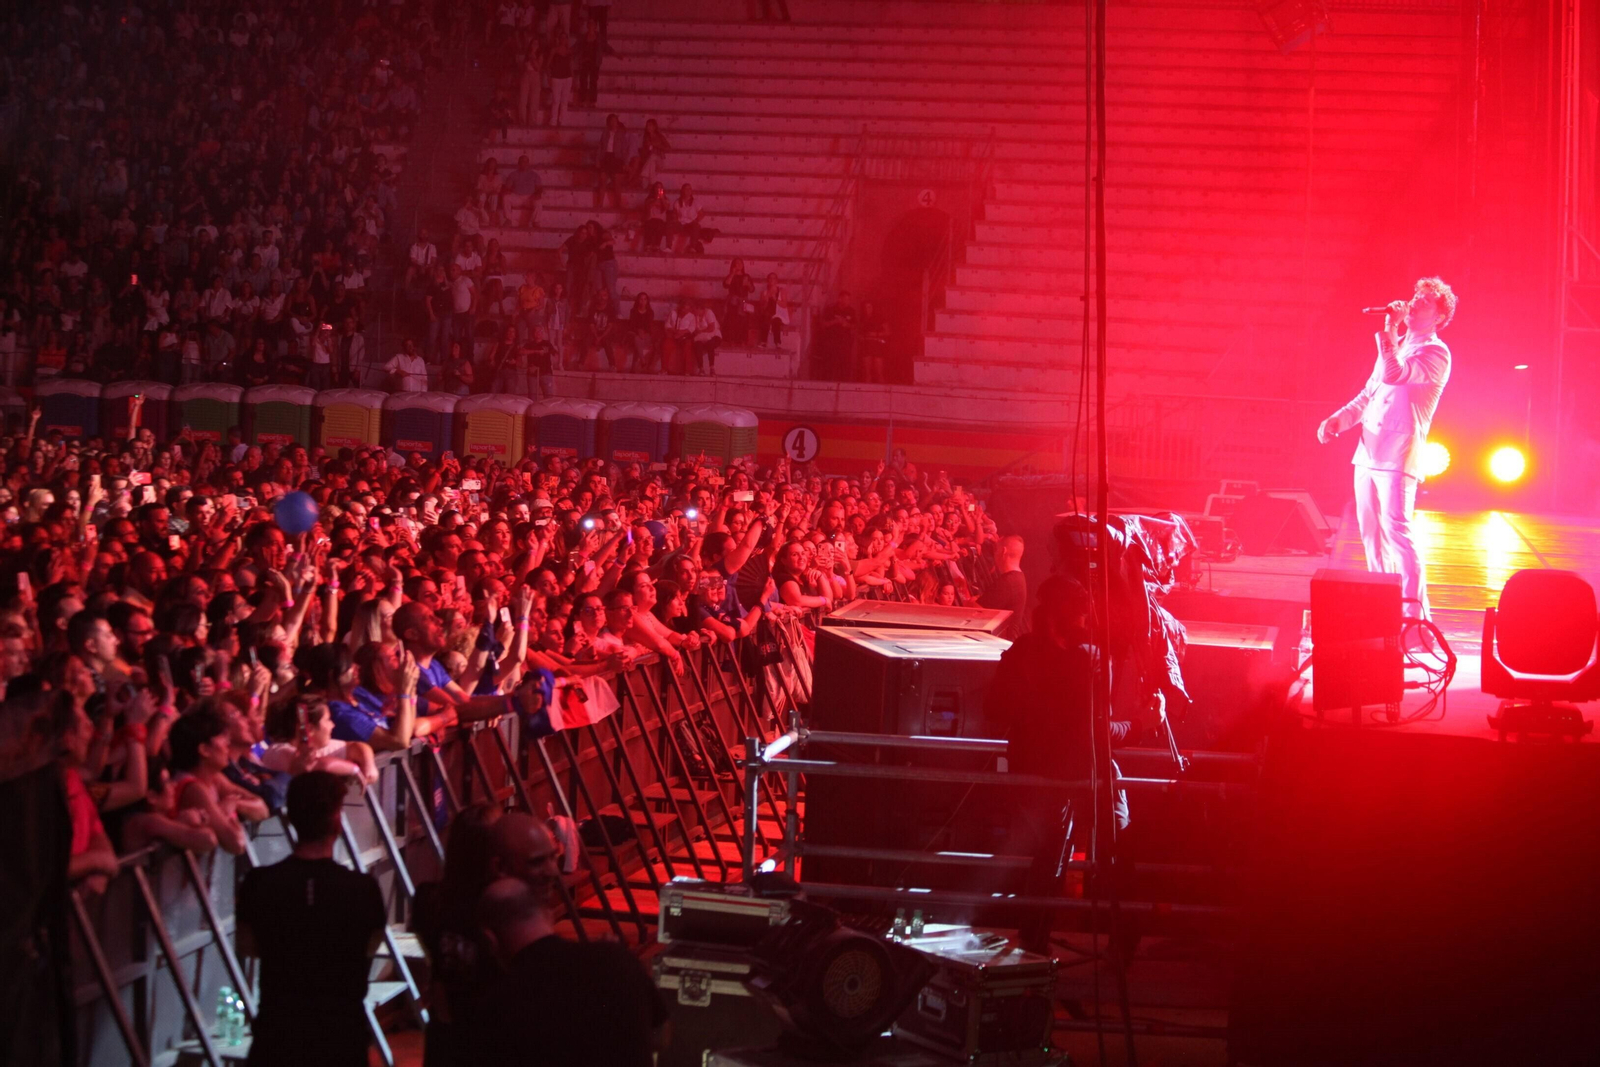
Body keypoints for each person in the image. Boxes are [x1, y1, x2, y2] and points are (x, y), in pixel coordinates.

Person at [983, 575, 1139, 954]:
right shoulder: (1089, 659)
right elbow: (1097, 733)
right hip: (1083, 774)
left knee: (1048, 857)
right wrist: (1139, 725)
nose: (1089, 623)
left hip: (1034, 772)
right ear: (1073, 616)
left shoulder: (1021, 652)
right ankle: (1120, 940)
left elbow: (993, 710)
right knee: (1118, 846)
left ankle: (1034, 939)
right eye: (1084, 616)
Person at [1317, 277, 1455, 619]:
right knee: (1372, 537)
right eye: (1415, 297)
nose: (1415, 303)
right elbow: (1370, 393)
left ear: (1439, 316)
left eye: (1425, 302)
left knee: (1397, 533)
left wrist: (1389, 331)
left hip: (1398, 455)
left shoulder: (1435, 352)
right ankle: (1383, 608)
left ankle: (1413, 618)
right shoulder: (1398, 344)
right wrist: (1338, 419)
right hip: (1368, 452)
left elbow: (1395, 375)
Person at [238, 771, 387, 1067]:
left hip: (277, 1041)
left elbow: (248, 946)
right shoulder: (362, 888)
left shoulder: (258, 883)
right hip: (341, 1041)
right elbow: (370, 946)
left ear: (291, 818)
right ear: (336, 819)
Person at [469, 876, 669, 1067]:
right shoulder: (617, 959)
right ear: (548, 914)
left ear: (490, 940)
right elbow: (662, 1035)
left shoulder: (496, 1005)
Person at [979, 534, 1028, 639]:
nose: (995, 553)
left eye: (996, 550)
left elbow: (977, 612)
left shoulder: (1008, 582)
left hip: (1000, 646)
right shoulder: (1017, 577)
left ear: (1003, 551)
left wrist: (968, 600)